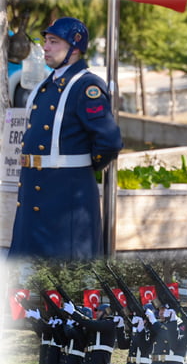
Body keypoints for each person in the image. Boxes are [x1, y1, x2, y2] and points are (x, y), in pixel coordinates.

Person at [9, 17, 122, 260]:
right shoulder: (48, 85)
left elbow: (109, 141)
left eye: (53, 41)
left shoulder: (86, 86)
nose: (45, 47)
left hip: (64, 197)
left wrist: (78, 170)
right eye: (45, 41)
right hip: (34, 194)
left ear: (75, 47)